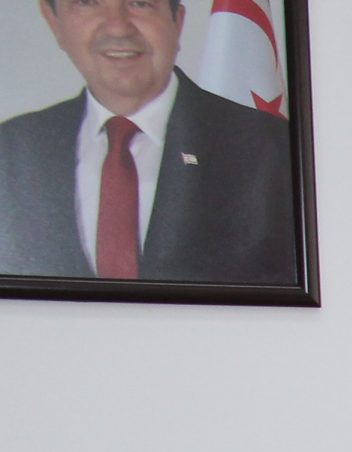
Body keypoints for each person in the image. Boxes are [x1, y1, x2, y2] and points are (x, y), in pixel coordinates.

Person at [0, 0, 296, 283]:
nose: (118, 28)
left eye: (140, 3)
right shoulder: (10, 150)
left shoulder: (272, 149)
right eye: (88, 3)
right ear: (54, 21)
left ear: (177, 22)